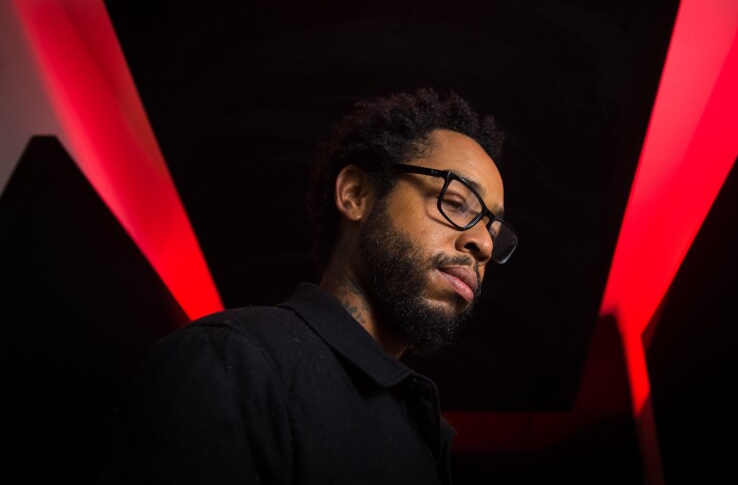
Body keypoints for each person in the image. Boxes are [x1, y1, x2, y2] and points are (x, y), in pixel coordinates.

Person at [84, 87, 519, 484]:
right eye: (458, 201)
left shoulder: (422, 434)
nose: (482, 243)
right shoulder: (232, 363)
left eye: (493, 229)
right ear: (355, 195)